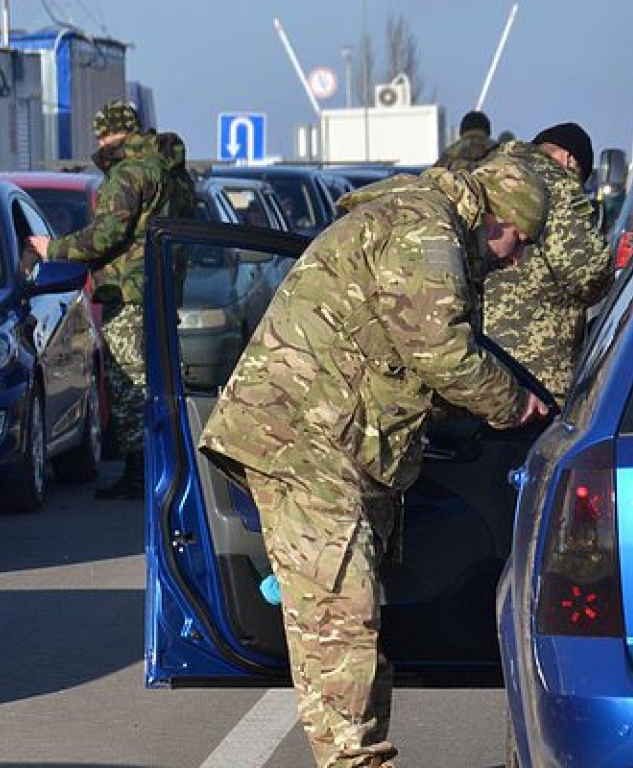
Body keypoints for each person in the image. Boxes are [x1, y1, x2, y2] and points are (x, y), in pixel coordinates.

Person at [198, 154, 552, 768]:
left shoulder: (425, 224)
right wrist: (515, 404)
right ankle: (354, 763)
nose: (514, 258)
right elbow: (441, 351)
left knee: (352, 615)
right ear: (495, 217)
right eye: (517, 241)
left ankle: (359, 756)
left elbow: (405, 357)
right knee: (341, 617)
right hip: (301, 440)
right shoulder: (426, 229)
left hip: (328, 442)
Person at [28, 99, 196, 500]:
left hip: (130, 292)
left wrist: (52, 249)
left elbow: (106, 236)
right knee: (157, 381)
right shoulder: (170, 171)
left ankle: (141, 474)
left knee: (128, 384)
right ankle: (162, 466)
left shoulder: (127, 174)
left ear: (106, 133)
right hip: (162, 289)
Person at [483, 123, 613, 403]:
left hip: (478, 362)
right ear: (569, 159)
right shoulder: (559, 183)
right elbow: (588, 273)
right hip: (536, 368)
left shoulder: (488, 171)